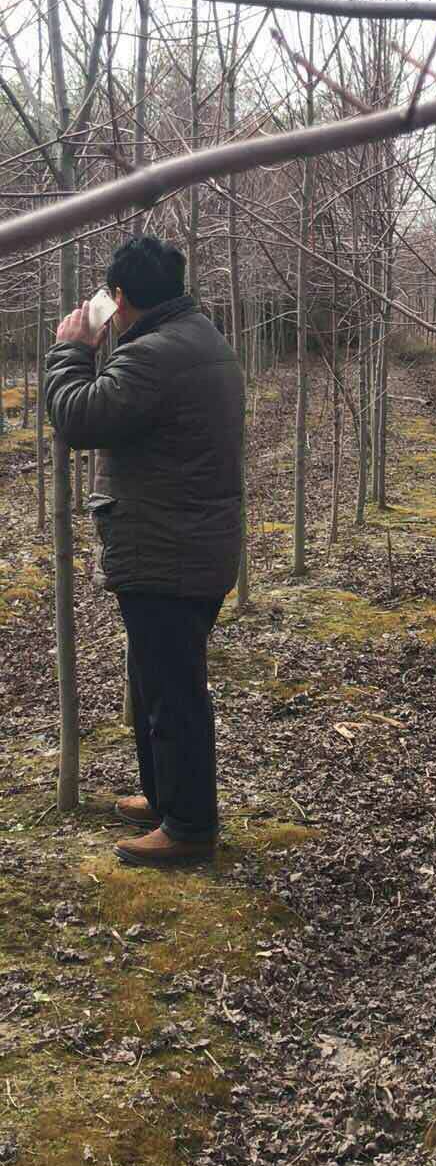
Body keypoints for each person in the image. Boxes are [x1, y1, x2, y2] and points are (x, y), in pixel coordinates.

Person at [44, 236, 245, 867]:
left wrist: (70, 351)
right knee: (157, 677)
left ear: (122, 299)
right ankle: (165, 797)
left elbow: (79, 417)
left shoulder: (157, 355)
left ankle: (188, 829)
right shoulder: (195, 335)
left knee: (173, 690)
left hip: (170, 549)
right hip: (187, 540)